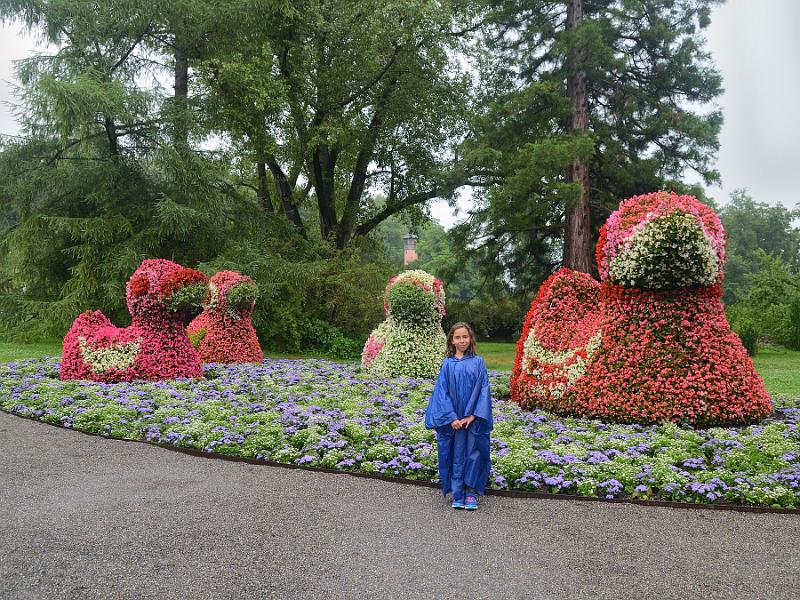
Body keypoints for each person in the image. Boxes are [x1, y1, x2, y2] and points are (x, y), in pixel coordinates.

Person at [424, 322, 493, 510]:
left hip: (472, 420)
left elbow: (483, 390)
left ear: (470, 338)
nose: (462, 340)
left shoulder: (478, 363)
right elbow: (441, 393)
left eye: (465, 337)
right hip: (453, 421)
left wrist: (473, 415)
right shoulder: (447, 364)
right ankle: (457, 493)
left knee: (473, 453)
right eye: (458, 337)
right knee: (454, 453)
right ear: (452, 340)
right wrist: (451, 417)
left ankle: (470, 492)